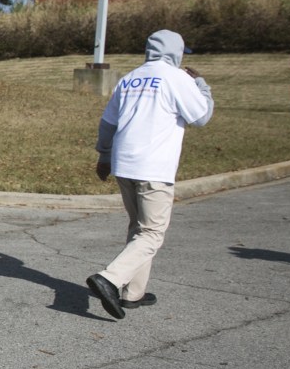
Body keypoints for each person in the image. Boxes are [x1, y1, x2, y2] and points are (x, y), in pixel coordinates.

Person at [87, 29, 213, 319]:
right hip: (153, 168)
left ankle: (133, 293)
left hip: (124, 164)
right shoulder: (177, 78)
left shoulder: (129, 78)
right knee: (153, 233)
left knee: (138, 228)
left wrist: (103, 156)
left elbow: (107, 124)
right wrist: (201, 84)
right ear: (176, 53)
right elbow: (202, 117)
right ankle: (109, 279)